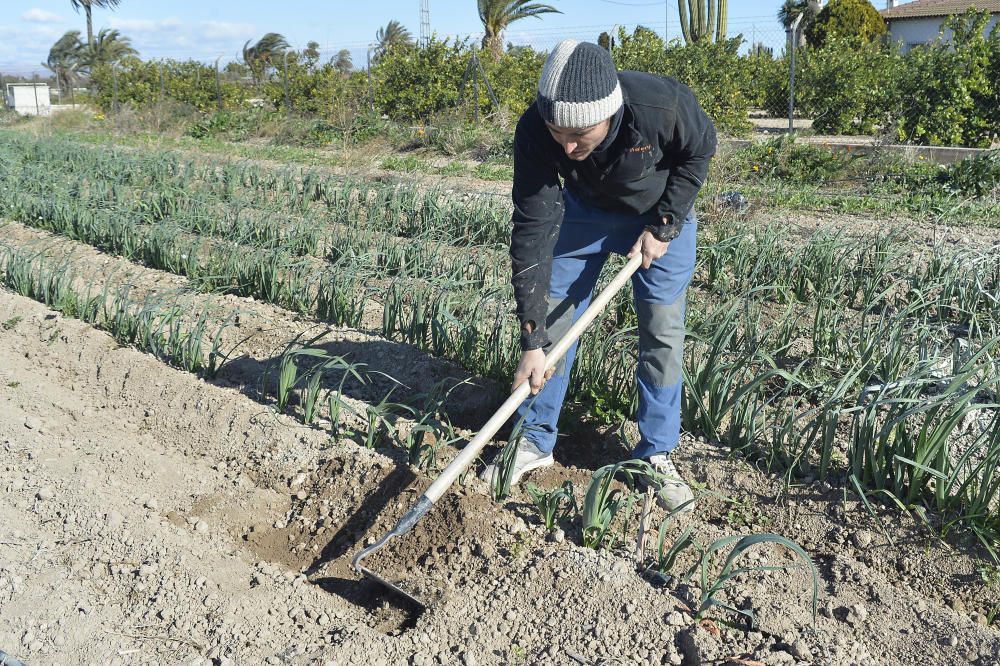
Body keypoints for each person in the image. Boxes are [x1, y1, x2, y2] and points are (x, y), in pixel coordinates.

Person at [481, 39, 717, 511]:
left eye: (579, 135)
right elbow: (532, 226)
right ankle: (533, 439)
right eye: (557, 132)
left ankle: (656, 452)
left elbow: (699, 152)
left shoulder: (661, 105)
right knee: (555, 320)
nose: (567, 147)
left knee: (662, 331)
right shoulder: (535, 130)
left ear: (609, 113)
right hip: (582, 213)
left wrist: (665, 225)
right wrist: (532, 341)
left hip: (657, 213)